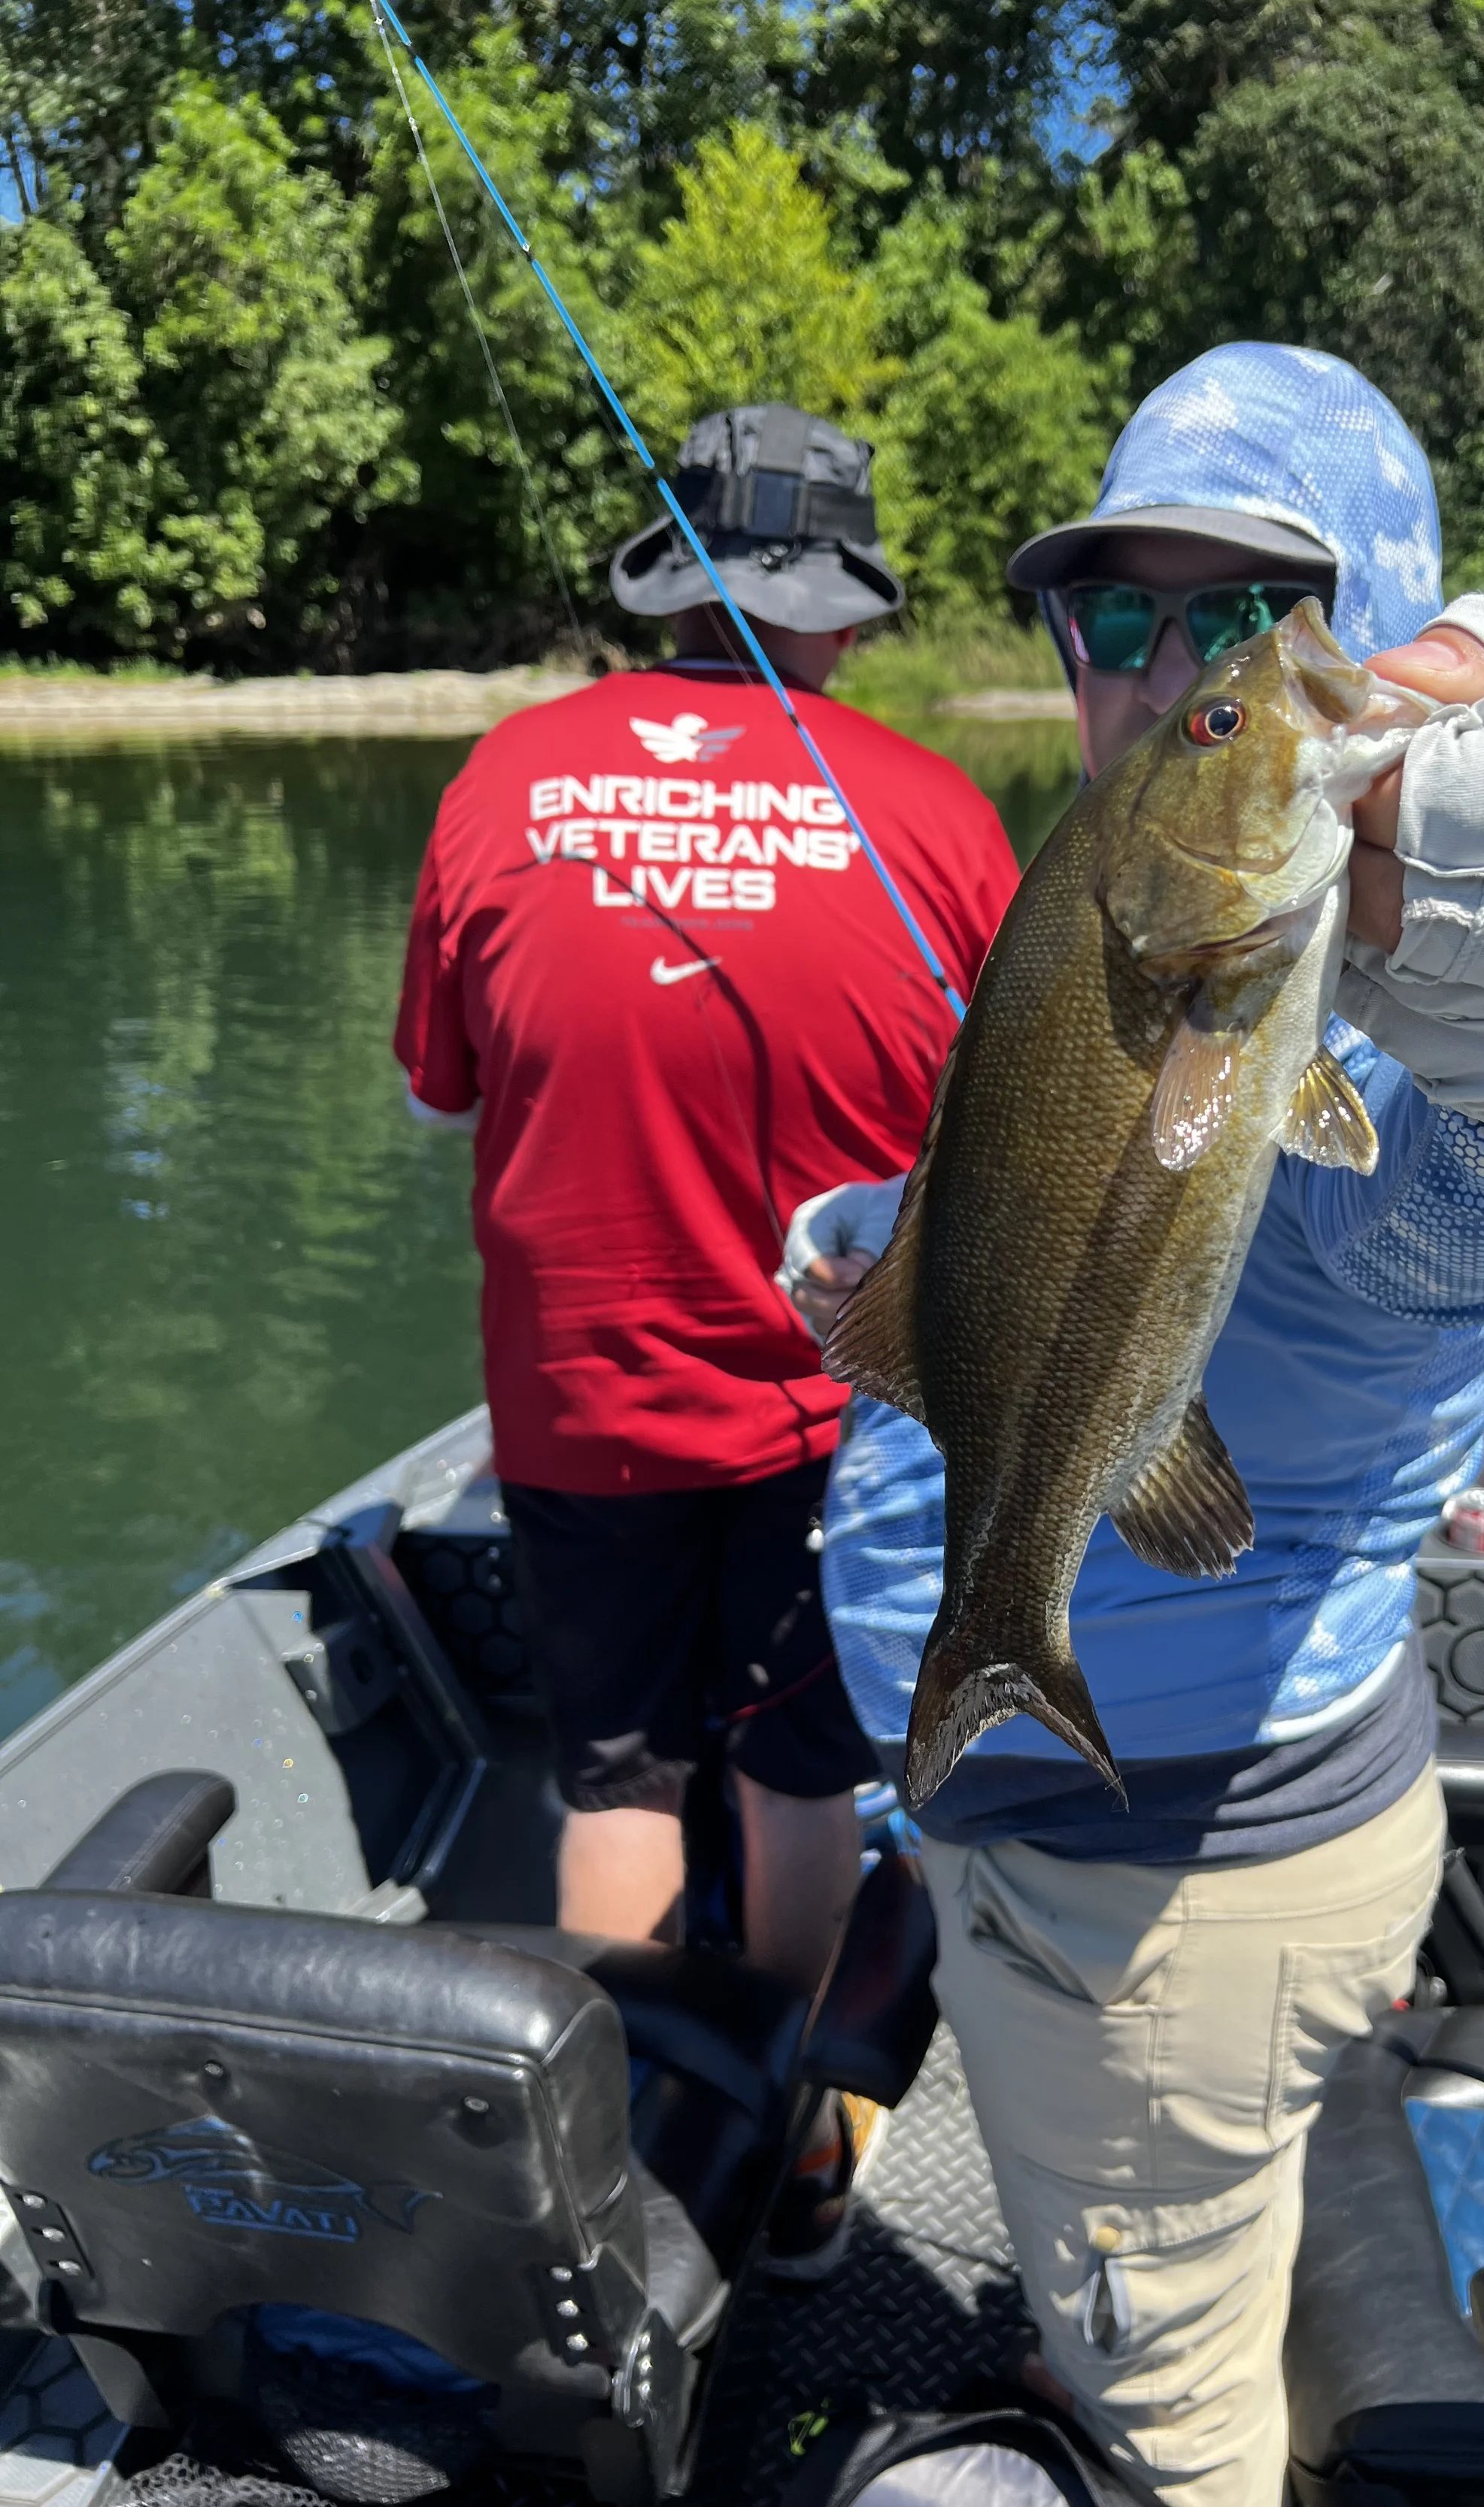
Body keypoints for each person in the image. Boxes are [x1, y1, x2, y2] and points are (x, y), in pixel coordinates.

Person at [781, 344, 1484, 2491]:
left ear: (1374, 634)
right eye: (1110, 615)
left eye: (1235, 622)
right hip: (1069, 1810)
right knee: (1147, 2277)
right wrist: (882, 1247)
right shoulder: (1106, 895)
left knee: (1174, 2415)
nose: (1159, 671)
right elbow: (1058, 1186)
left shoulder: (1414, 1002)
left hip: (1162, 1870)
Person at [393, 402, 1018, 2272]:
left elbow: (442, 1099)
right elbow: (998, 1155)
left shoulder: (504, 779)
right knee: (797, 1776)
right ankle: (799, 2164)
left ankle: (620, 2175)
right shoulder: (934, 816)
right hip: (837, 1419)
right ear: (840, 602)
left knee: (613, 1777)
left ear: (662, 586)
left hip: (577, 1400)